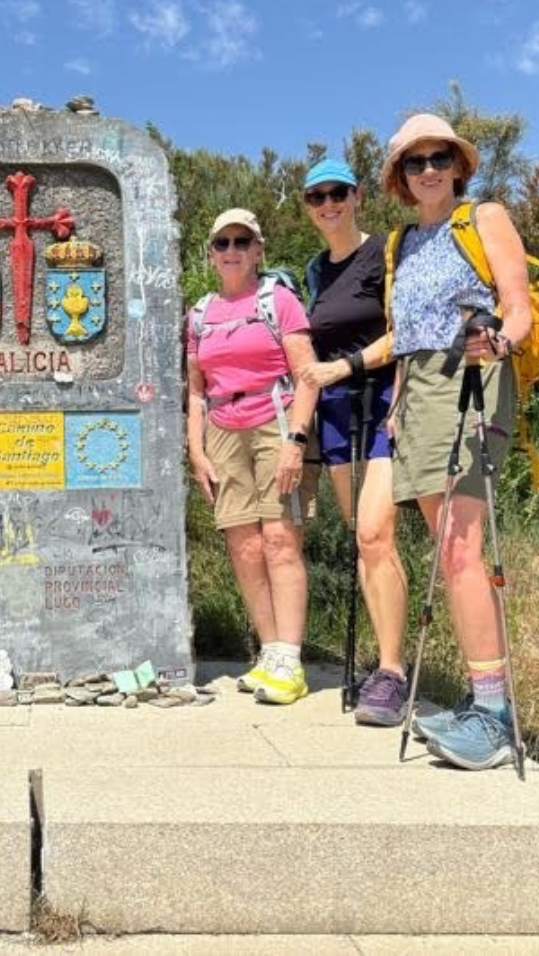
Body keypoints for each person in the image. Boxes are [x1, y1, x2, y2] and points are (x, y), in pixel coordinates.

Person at [381, 113, 532, 770]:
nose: (429, 170)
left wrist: (501, 337)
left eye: (439, 157)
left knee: (463, 546)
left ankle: (494, 717)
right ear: (401, 178)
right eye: (415, 163)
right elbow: (404, 331)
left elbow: (517, 303)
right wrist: (395, 399)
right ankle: (480, 699)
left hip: (471, 373)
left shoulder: (484, 218)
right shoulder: (401, 244)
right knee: (447, 550)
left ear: (458, 165)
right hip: (417, 391)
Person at [187, 208, 320, 705]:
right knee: (243, 546)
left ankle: (290, 657)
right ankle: (269, 653)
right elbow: (197, 391)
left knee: (280, 539)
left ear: (259, 250)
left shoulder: (278, 302)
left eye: (242, 241)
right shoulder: (198, 315)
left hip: (276, 421)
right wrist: (196, 450)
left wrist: (296, 442)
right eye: (222, 242)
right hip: (223, 427)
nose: (232, 250)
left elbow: (307, 374)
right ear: (210, 253)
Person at [297, 158, 410, 726]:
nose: (327, 205)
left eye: (336, 193)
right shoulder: (316, 270)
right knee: (364, 541)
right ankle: (385, 667)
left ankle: (390, 671)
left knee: (374, 534)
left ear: (357, 195)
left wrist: (344, 368)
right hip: (340, 417)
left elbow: (405, 330)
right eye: (316, 197)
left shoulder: (386, 253)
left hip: (384, 406)